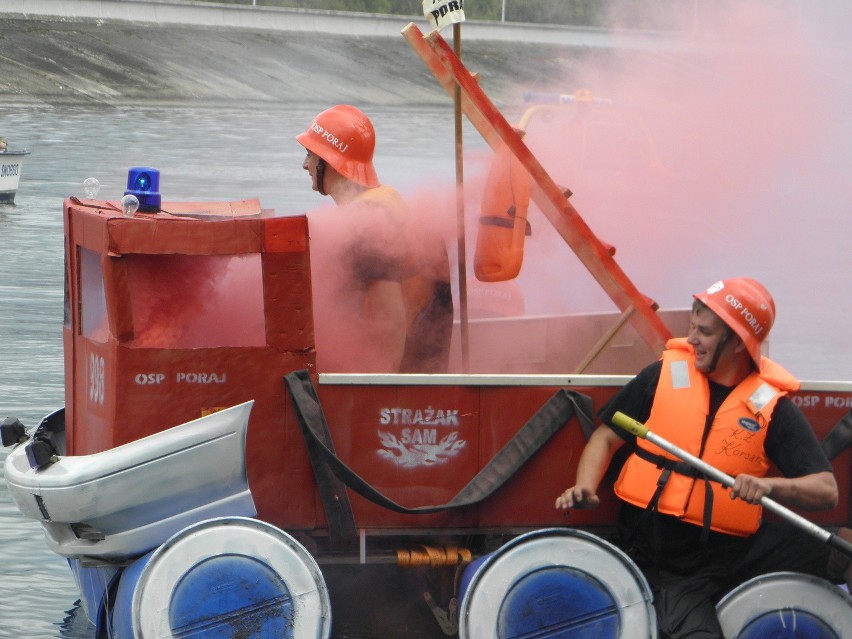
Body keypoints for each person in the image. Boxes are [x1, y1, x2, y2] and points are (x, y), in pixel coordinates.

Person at [555, 277, 852, 638]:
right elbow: (604, 438)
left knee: (846, 550)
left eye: (705, 332)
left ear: (739, 343)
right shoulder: (662, 376)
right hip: (671, 558)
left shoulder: (770, 406)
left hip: (737, 548)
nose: (692, 338)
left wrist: (767, 485)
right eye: (692, 328)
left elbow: (826, 491)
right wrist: (585, 487)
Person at [297, 104, 453, 373]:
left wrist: (378, 399)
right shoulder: (387, 203)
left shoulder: (369, 223)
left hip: (401, 385)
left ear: (329, 162)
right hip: (421, 374)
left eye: (310, 155)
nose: (304, 165)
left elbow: (389, 323)